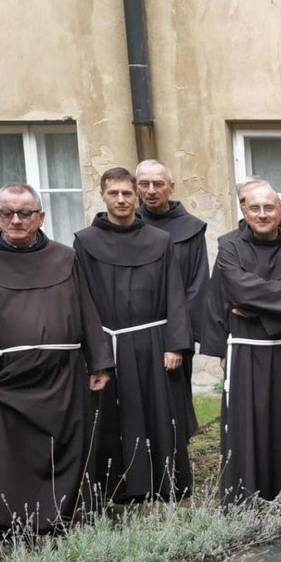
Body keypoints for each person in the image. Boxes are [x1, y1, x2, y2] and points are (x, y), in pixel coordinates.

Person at [0, 182, 113, 541]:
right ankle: (13, 529)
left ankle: (65, 524)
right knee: (9, 457)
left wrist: (99, 361)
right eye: (7, 212)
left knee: (67, 451)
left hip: (64, 377)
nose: (15, 220)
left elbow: (87, 308)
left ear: (40, 216)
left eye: (24, 213)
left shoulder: (65, 258)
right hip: (7, 382)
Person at [201, 179, 281, 505]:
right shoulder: (229, 246)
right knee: (249, 429)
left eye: (269, 207)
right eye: (254, 208)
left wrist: (253, 311)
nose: (262, 214)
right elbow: (236, 287)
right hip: (249, 354)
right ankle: (249, 500)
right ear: (244, 210)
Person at [75, 166, 193, 502]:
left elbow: (175, 293)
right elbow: (83, 300)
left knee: (160, 417)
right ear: (103, 195)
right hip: (109, 344)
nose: (122, 199)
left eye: (127, 193)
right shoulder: (85, 242)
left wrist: (176, 344)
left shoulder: (159, 240)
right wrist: (96, 353)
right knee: (115, 420)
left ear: (136, 195)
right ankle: (117, 488)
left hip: (154, 343)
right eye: (114, 193)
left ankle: (165, 485)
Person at [135, 159, 210, 407]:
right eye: (144, 184)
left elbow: (197, 287)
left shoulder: (191, 229)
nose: (151, 190)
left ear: (171, 187)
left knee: (173, 403)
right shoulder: (125, 226)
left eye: (158, 183)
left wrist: (177, 341)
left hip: (173, 333)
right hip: (132, 334)